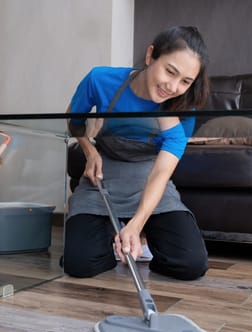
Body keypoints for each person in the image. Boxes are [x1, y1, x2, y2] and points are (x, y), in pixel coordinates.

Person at [63, 26, 210, 281]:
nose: (173, 87)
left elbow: (162, 171)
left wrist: (138, 223)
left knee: (190, 264)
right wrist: (90, 151)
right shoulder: (100, 80)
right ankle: (113, 231)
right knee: (79, 263)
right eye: (170, 71)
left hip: (149, 176)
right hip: (104, 172)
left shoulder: (184, 110)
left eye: (185, 81)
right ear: (151, 55)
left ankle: (137, 234)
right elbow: (74, 120)